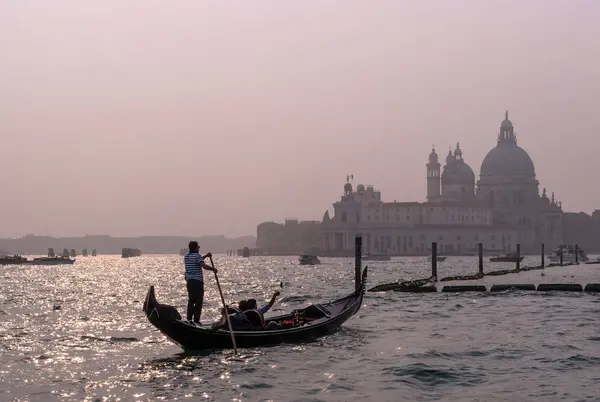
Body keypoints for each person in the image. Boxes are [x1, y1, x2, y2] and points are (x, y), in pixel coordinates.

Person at [184, 241, 217, 324]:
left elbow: (198, 261)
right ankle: (196, 320)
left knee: (191, 300)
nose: (199, 248)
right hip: (197, 282)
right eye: (198, 247)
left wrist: (205, 256)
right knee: (198, 301)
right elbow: (203, 265)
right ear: (195, 248)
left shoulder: (186, 256)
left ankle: (189, 319)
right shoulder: (197, 256)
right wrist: (213, 269)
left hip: (189, 281)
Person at [213, 291, 280, 330]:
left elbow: (269, 305)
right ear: (254, 306)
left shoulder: (249, 312)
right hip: (255, 328)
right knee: (272, 324)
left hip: (252, 328)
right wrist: (274, 296)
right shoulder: (255, 312)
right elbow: (269, 305)